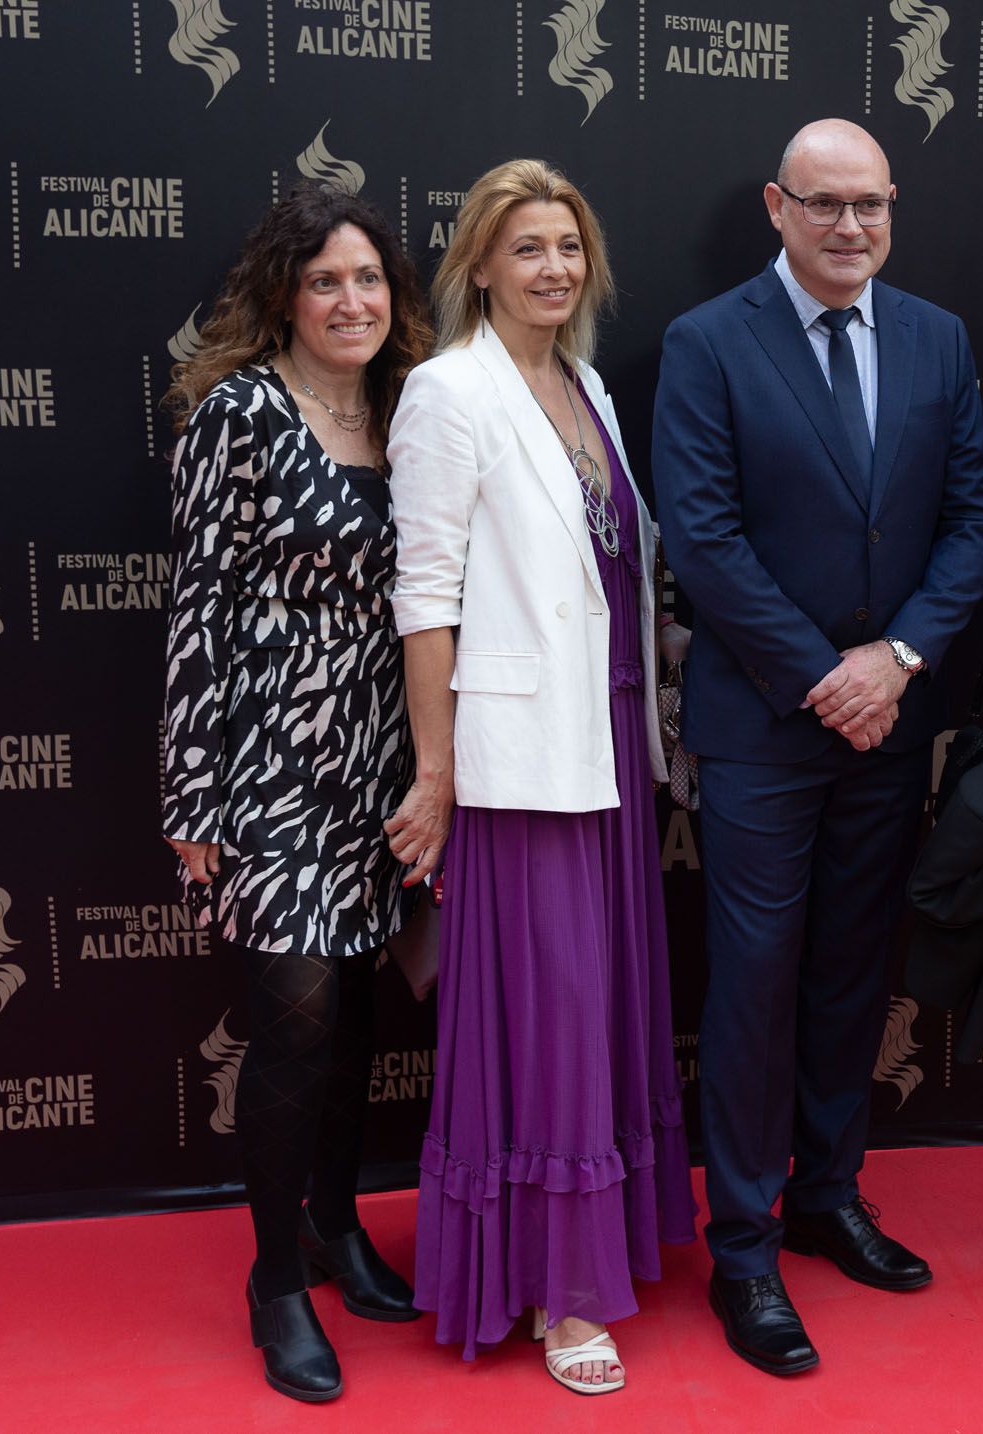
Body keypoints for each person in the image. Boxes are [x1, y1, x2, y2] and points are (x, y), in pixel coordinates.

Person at [652, 118, 983, 1375]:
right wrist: (822, 677)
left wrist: (896, 663)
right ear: (776, 207)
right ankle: (741, 1247)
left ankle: (826, 1192)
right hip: (764, 727)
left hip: (890, 723)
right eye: (825, 204)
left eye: (871, 204)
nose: (850, 226)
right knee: (753, 985)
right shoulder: (706, 344)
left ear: (892, 208)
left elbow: (973, 522)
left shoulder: (936, 338)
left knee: (854, 968)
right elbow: (701, 538)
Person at [385, 158, 695, 1395]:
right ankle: (556, 1296)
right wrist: (439, 774)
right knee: (552, 1018)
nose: (554, 267)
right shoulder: (445, 393)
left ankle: (588, 1251)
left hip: (611, 744)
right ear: (478, 263)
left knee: (604, 1007)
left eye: (569, 245)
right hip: (517, 767)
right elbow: (425, 597)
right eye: (528, 248)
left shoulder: (589, 387)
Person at [160, 183, 433, 1402]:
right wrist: (194, 790)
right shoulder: (241, 414)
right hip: (271, 762)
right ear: (285, 295)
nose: (350, 299)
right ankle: (276, 1278)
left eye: (367, 278)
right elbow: (200, 604)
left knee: (363, 1011)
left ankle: (334, 1224)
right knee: (299, 1018)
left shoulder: (406, 409)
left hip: (384, 765)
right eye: (325, 279)